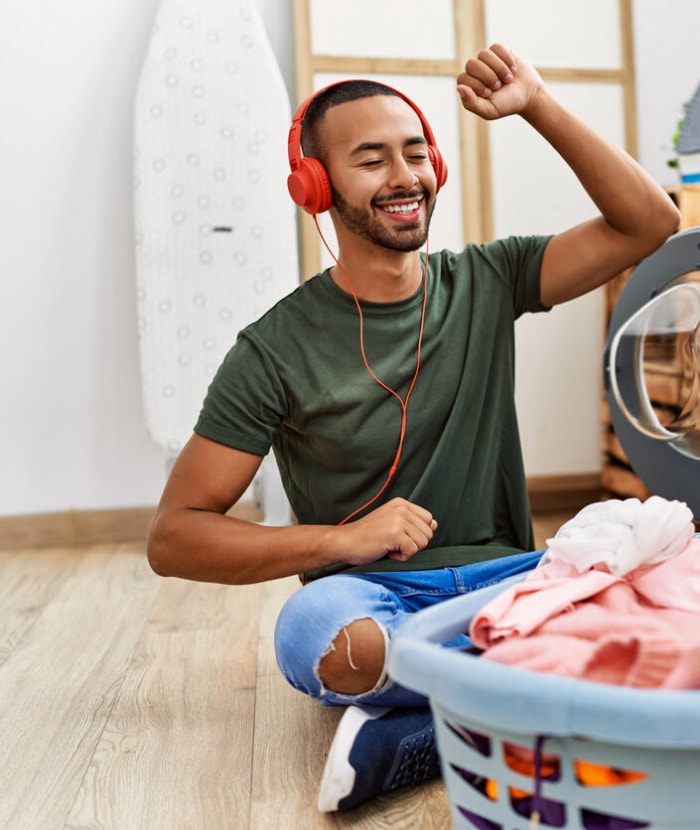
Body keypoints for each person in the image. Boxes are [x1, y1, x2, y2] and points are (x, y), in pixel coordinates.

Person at [147, 43, 680, 812]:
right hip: (371, 600)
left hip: (513, 582)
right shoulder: (271, 351)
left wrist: (537, 105)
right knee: (320, 638)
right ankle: (527, 697)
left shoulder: (489, 279)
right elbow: (176, 536)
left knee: (671, 560)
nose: (405, 177)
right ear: (316, 186)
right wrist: (339, 542)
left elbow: (649, 222)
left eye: (416, 152)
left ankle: (419, 732)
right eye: (371, 160)